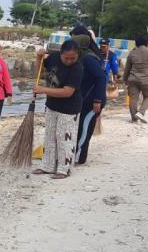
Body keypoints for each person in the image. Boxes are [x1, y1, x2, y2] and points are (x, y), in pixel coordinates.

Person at [32, 41, 84, 179]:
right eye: (66, 58)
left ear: (77, 55)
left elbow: (68, 92)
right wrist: (38, 58)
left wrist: (43, 90)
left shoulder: (77, 68)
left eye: (73, 58)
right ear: (61, 54)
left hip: (69, 108)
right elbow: (39, 72)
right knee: (50, 136)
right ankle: (47, 166)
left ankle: (64, 169)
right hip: (52, 105)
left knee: (64, 138)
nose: (69, 61)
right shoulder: (54, 58)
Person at [67, 26, 106, 165]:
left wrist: (97, 100)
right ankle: (72, 153)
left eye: (73, 38)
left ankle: (79, 157)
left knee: (84, 128)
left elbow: (101, 77)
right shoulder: (81, 56)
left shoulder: (89, 58)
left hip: (92, 100)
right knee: (77, 128)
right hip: (82, 99)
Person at [124, 35, 148, 123]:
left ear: (136, 43)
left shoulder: (132, 53)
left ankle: (134, 118)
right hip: (146, 79)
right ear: (146, 43)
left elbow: (127, 68)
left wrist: (125, 79)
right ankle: (141, 112)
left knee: (133, 98)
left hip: (133, 79)